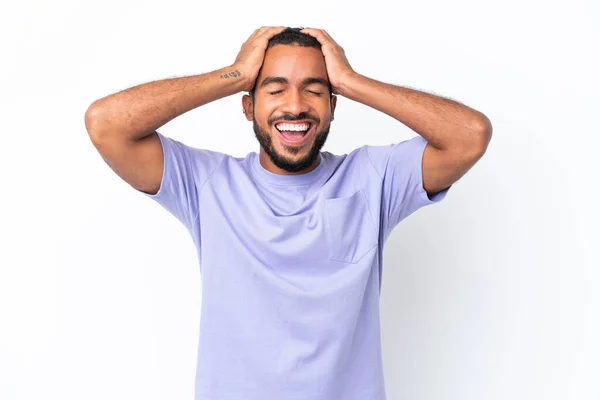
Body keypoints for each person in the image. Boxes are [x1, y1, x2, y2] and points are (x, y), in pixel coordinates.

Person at [85, 26, 492, 400]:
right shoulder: (206, 183)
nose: (295, 107)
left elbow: (469, 136)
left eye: (314, 91)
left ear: (334, 105)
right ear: (248, 106)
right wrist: (234, 74)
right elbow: (106, 124)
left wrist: (351, 81)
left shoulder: (372, 179)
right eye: (275, 89)